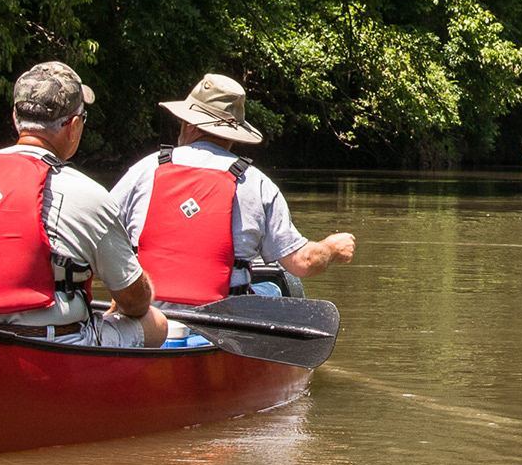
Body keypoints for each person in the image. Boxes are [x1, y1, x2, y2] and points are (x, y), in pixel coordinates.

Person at [0, 62, 168, 348]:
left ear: (15, 118)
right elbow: (134, 302)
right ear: (73, 127)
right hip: (57, 345)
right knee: (156, 322)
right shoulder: (87, 194)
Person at [112, 73, 356, 306]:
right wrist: (331, 248)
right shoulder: (256, 183)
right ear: (233, 134)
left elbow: (98, 234)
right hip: (223, 320)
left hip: (150, 312)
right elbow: (303, 262)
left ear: (188, 124)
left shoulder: (145, 169)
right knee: (275, 287)